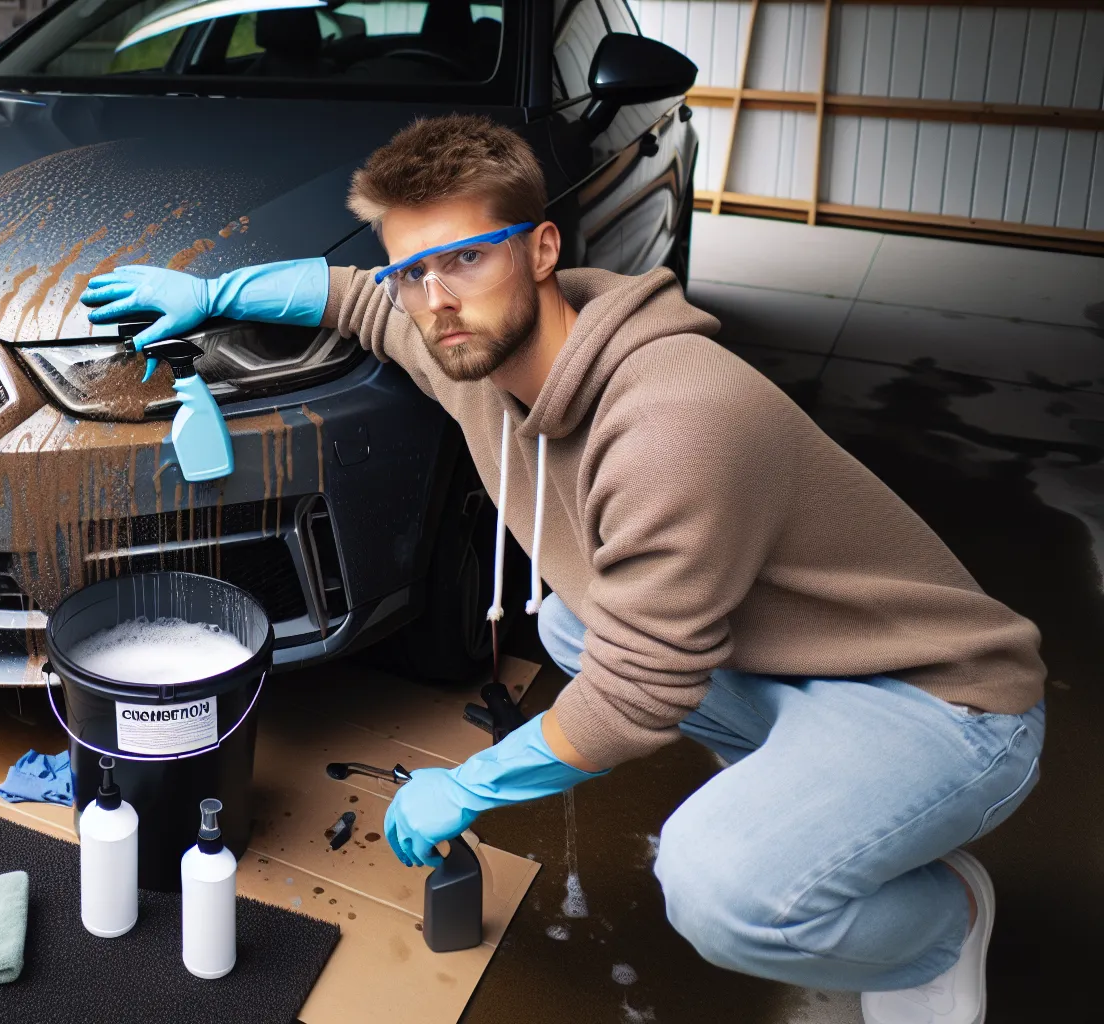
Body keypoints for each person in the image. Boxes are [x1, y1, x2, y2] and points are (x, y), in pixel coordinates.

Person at [80, 114, 1046, 1024]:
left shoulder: (675, 423)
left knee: (722, 891)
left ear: (542, 250)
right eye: (415, 270)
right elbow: (357, 301)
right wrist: (213, 293)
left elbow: (636, 695)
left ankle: (939, 922)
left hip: (943, 703)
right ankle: (812, 800)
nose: (437, 298)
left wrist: (471, 784)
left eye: (466, 257)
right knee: (572, 624)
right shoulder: (461, 340)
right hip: (802, 664)